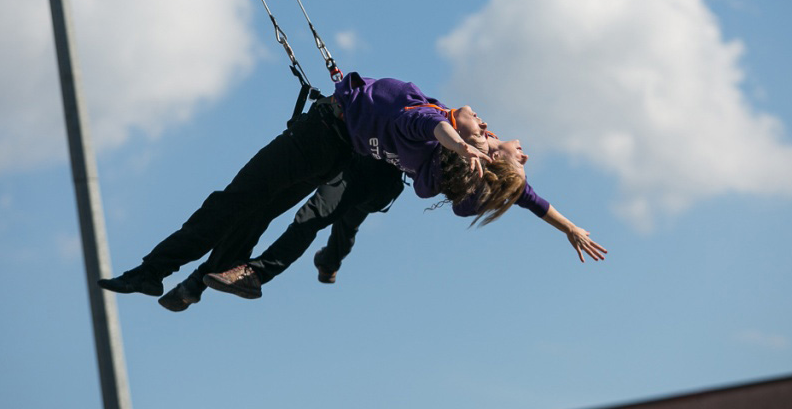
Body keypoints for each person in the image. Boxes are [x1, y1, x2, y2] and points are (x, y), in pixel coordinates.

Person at [98, 72, 511, 298]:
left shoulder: (426, 123)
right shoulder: (425, 170)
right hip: (330, 152)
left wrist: (464, 147)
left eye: (485, 133)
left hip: (318, 136)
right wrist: (487, 169)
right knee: (252, 210)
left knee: (232, 202)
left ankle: (152, 271)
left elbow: (433, 126)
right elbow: (458, 186)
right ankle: (200, 275)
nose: (487, 125)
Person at [202, 122, 607, 300]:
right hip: (369, 154)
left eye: (522, 159)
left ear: (502, 161)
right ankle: (326, 262)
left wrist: (567, 226)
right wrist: (571, 227)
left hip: (381, 175)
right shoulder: (483, 134)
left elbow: (530, 200)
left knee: (334, 216)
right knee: (338, 220)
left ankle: (265, 272)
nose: (527, 152)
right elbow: (540, 206)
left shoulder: (484, 172)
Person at [157, 154, 403, 311]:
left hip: (361, 173)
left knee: (312, 216)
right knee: (346, 225)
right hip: (376, 185)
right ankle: (328, 264)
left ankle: (250, 276)